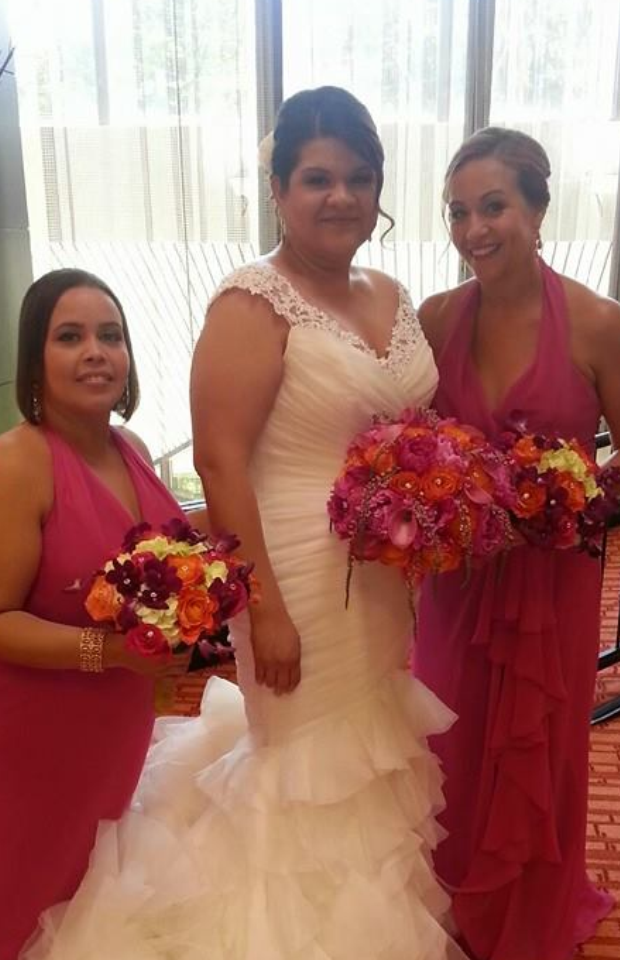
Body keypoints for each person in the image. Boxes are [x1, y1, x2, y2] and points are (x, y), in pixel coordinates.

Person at [21, 87, 468, 960]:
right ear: (277, 188)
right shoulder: (251, 302)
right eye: (317, 178)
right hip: (291, 569)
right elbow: (221, 460)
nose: (340, 196)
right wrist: (262, 607)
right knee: (303, 765)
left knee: (366, 749)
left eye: (359, 178)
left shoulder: (390, 291)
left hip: (377, 570)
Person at [413, 126, 620, 960]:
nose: (474, 229)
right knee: (452, 739)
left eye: (494, 206)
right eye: (457, 212)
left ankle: (528, 912)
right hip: (461, 578)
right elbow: (416, 444)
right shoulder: (435, 319)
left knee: (541, 748)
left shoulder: (599, 323)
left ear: (538, 210)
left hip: (551, 580)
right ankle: (451, 899)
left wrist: (572, 496)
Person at [0, 268, 191, 960]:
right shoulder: (18, 463)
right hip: (35, 743)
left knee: (90, 912)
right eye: (69, 337)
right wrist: (108, 653)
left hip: (120, 729)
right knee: (28, 904)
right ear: (35, 358)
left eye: (110, 336)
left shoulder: (132, 451)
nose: (95, 353)